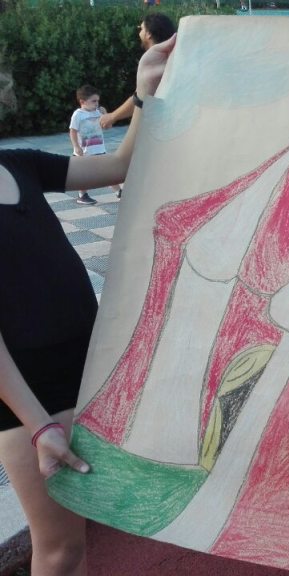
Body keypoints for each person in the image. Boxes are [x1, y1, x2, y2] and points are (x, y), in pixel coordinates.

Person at [0, 36, 175, 576]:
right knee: (59, 549)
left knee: (84, 538)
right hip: (27, 390)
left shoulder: (17, 163)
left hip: (87, 362)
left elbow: (119, 165)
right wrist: (38, 426)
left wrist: (143, 92)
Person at [99, 13, 176, 130]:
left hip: (160, 129)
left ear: (148, 34)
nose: (139, 32)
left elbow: (140, 99)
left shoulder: (156, 62)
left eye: (141, 28)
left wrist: (112, 117)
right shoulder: (171, 57)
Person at [68, 86, 121, 204]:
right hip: (84, 151)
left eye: (98, 101)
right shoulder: (78, 115)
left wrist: (106, 114)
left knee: (108, 171)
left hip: (99, 148)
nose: (97, 104)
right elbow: (72, 131)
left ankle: (119, 192)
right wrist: (76, 146)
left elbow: (108, 127)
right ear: (82, 102)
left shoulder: (98, 112)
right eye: (94, 101)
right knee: (84, 175)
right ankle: (82, 195)